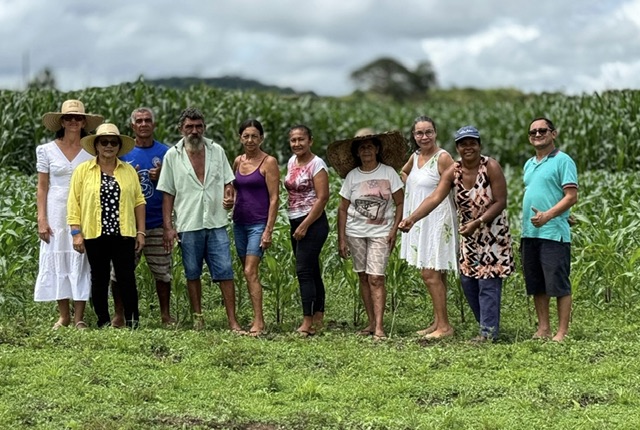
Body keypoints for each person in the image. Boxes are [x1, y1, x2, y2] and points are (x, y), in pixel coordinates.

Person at [399, 126, 514, 342]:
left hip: (492, 235)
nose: (468, 147)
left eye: (472, 143)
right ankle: (487, 325)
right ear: (458, 148)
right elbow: (435, 198)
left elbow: (500, 201)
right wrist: (412, 219)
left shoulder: (491, 167)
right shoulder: (455, 171)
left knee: (487, 282)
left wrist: (478, 222)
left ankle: (488, 333)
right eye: (463, 143)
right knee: (468, 281)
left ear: (479, 145)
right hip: (468, 236)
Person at [157, 107, 243, 332]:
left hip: (216, 222)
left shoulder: (217, 151)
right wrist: (168, 227)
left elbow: (228, 181)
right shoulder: (172, 155)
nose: (194, 131)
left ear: (204, 127)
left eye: (198, 126)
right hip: (188, 222)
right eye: (189, 127)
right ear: (181, 129)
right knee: (192, 272)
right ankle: (198, 319)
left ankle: (232, 321)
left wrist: (228, 193)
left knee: (225, 271)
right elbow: (167, 193)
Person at [328, 130, 405, 340]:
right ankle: (371, 322)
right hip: (355, 232)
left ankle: (379, 326)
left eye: (370, 146)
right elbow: (342, 208)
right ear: (357, 153)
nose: (366, 151)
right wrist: (341, 238)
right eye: (362, 148)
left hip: (381, 232)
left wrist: (394, 230)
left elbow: (400, 203)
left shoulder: (389, 173)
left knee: (376, 278)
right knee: (363, 276)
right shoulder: (352, 176)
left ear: (377, 149)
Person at [67, 123, 146, 328]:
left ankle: (132, 321)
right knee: (99, 279)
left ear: (119, 146)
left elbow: (139, 201)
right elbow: (73, 202)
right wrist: (76, 232)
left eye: (113, 142)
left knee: (126, 278)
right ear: (97, 145)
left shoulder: (128, 171)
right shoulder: (83, 171)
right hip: (95, 233)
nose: (108, 146)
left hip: (124, 233)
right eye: (104, 142)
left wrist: (140, 232)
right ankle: (103, 321)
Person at [35, 99, 103, 330]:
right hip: (55, 211)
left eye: (78, 118)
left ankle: (79, 318)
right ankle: (63, 315)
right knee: (58, 259)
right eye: (69, 117)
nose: (73, 121)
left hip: (84, 211)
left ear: (84, 122)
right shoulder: (46, 150)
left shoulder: (92, 150)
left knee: (81, 260)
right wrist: (42, 218)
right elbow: (42, 187)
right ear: (62, 121)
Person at [110, 107, 174, 327]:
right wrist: (129, 178)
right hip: (127, 224)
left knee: (163, 273)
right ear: (132, 126)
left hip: (157, 223)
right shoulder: (122, 154)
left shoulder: (167, 153)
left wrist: (162, 176)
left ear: (154, 125)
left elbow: (174, 188)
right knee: (119, 273)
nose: (144, 124)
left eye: (148, 120)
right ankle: (119, 315)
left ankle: (165, 315)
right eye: (139, 121)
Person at [399, 116, 458, 339]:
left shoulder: (443, 158)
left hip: (437, 220)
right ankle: (437, 322)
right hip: (418, 218)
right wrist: (411, 189)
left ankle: (445, 327)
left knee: (430, 273)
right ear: (413, 136)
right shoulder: (414, 157)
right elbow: (404, 173)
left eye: (428, 132)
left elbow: (452, 186)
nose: (424, 137)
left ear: (436, 133)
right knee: (435, 273)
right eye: (419, 133)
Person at [521, 117, 578, 342]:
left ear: (553, 134)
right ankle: (543, 328)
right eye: (533, 132)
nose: (537, 134)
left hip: (553, 232)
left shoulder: (563, 161)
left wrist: (548, 215)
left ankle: (562, 332)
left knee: (558, 283)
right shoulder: (529, 164)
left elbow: (571, 196)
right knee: (537, 283)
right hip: (530, 232)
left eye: (542, 130)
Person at [231, 119, 280, 336]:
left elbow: (274, 198)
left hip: (258, 224)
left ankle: (259, 322)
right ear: (240, 138)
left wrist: (268, 229)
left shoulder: (268, 162)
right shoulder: (238, 161)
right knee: (246, 271)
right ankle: (254, 317)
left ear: (261, 138)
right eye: (246, 136)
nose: (250, 140)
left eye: (254, 136)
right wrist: (228, 200)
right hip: (239, 222)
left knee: (251, 271)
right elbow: (234, 189)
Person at [284, 125, 330, 337]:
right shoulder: (292, 162)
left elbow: (322, 198)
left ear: (310, 141)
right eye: (293, 140)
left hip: (313, 222)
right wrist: (296, 223)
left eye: (301, 139)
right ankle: (319, 314)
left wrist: (305, 225)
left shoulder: (317, 164)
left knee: (303, 270)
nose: (297, 144)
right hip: (295, 220)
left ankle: (307, 320)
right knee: (311, 269)